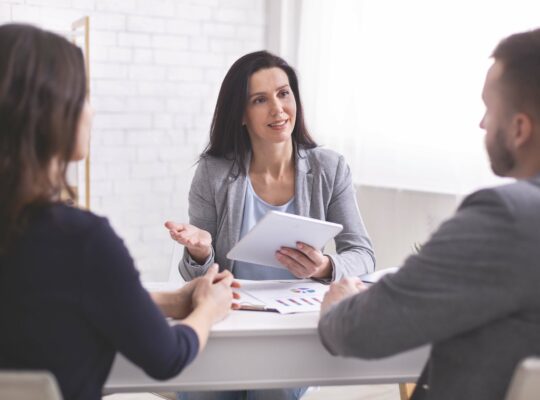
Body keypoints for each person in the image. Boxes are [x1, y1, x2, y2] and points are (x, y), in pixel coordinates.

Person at [0, 23, 237, 400]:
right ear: (51, 114)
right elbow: (167, 357)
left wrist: (170, 301)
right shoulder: (81, 241)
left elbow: (43, 300)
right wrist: (207, 309)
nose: (92, 111)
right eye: (84, 96)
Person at [318, 27, 540, 400]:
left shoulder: (507, 216)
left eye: (489, 108)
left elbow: (361, 330)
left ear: (519, 129)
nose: (483, 123)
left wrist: (337, 305)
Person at [165, 50, 375, 400]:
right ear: (242, 115)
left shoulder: (330, 168)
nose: (277, 109)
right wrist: (200, 251)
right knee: (207, 393)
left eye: (283, 93)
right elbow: (197, 278)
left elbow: (363, 253)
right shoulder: (213, 172)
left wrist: (325, 266)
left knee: (270, 389)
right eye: (260, 100)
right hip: (228, 321)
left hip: (291, 328)